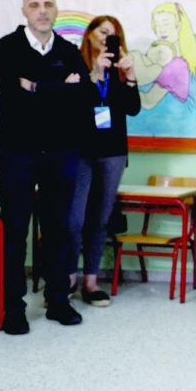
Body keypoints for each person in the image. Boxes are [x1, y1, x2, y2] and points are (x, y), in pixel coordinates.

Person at [0, 0, 94, 334]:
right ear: (23, 10)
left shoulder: (68, 49)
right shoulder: (6, 48)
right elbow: (11, 98)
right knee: (15, 231)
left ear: (56, 10)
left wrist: (35, 87)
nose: (42, 11)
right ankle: (13, 309)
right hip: (16, 153)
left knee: (58, 230)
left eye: (48, 4)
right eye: (34, 5)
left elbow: (84, 97)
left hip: (61, 153)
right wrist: (61, 89)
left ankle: (58, 301)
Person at [65, 16, 141, 307]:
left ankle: (91, 282)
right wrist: (93, 75)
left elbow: (133, 109)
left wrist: (130, 76)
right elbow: (70, 106)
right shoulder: (76, 63)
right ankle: (68, 278)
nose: (108, 38)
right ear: (90, 35)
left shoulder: (120, 70)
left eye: (114, 34)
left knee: (98, 221)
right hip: (80, 152)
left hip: (113, 153)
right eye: (103, 32)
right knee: (74, 221)